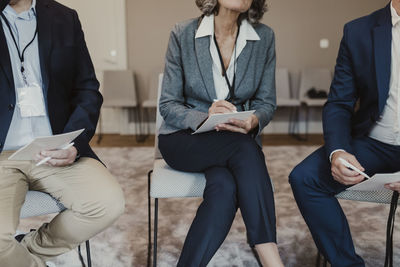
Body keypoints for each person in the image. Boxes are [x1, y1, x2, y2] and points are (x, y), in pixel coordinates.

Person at [158, 0, 284, 266]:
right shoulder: (182, 33)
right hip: (184, 138)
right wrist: (205, 117)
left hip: (233, 140)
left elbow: (266, 103)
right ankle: (270, 256)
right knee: (245, 149)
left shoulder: (264, 37)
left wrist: (253, 120)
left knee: (225, 187)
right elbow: (168, 105)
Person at [0, 0, 125, 266]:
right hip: (2, 157)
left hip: (55, 147)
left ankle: (27, 249)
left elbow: (87, 89)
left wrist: (73, 143)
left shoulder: (64, 17)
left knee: (107, 203)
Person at [289, 1, 400, 266]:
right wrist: (338, 151)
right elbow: (340, 102)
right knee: (305, 179)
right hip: (375, 143)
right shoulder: (358, 31)